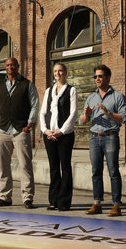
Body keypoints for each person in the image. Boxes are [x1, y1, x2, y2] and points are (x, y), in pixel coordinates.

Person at [79, 64, 126, 217]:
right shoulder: (91, 97)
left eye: (100, 76)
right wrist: (86, 115)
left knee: (113, 171)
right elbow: (81, 121)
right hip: (94, 138)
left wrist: (108, 113)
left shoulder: (118, 97)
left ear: (108, 77)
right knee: (96, 172)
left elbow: (124, 118)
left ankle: (116, 205)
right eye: (95, 76)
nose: (97, 79)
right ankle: (97, 203)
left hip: (110, 137)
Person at [0, 57, 39, 209]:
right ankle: (5, 197)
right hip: (2, 131)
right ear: (6, 67)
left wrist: (30, 123)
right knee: (2, 165)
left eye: (13, 65)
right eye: (8, 65)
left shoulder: (27, 84)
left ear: (18, 66)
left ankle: (27, 197)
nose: (10, 67)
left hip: (21, 130)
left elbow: (35, 104)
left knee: (25, 165)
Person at [39, 62, 77, 211]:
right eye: (55, 71)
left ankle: (64, 202)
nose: (58, 73)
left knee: (65, 167)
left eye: (61, 71)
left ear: (65, 73)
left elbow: (73, 114)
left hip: (65, 135)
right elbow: (43, 113)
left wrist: (61, 131)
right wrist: (45, 130)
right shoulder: (48, 91)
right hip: (49, 136)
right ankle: (53, 200)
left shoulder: (72, 90)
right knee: (54, 168)